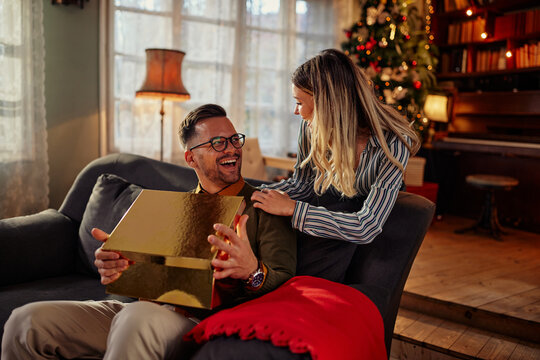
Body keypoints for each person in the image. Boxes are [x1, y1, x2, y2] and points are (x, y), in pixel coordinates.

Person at [2, 104, 296, 360]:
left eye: (234, 139)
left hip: (200, 323)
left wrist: (252, 272)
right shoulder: (172, 207)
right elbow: (148, 277)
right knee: (26, 321)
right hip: (139, 311)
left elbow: (286, 281)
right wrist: (119, 267)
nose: (232, 148)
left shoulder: (263, 206)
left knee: (136, 317)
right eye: (218, 143)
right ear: (191, 158)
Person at [251, 49, 420, 245]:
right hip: (335, 213)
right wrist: (253, 194)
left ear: (328, 105)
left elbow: (366, 226)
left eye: (299, 102)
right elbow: (303, 184)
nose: (296, 111)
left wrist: (293, 209)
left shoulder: (393, 142)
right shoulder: (310, 127)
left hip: (376, 229)